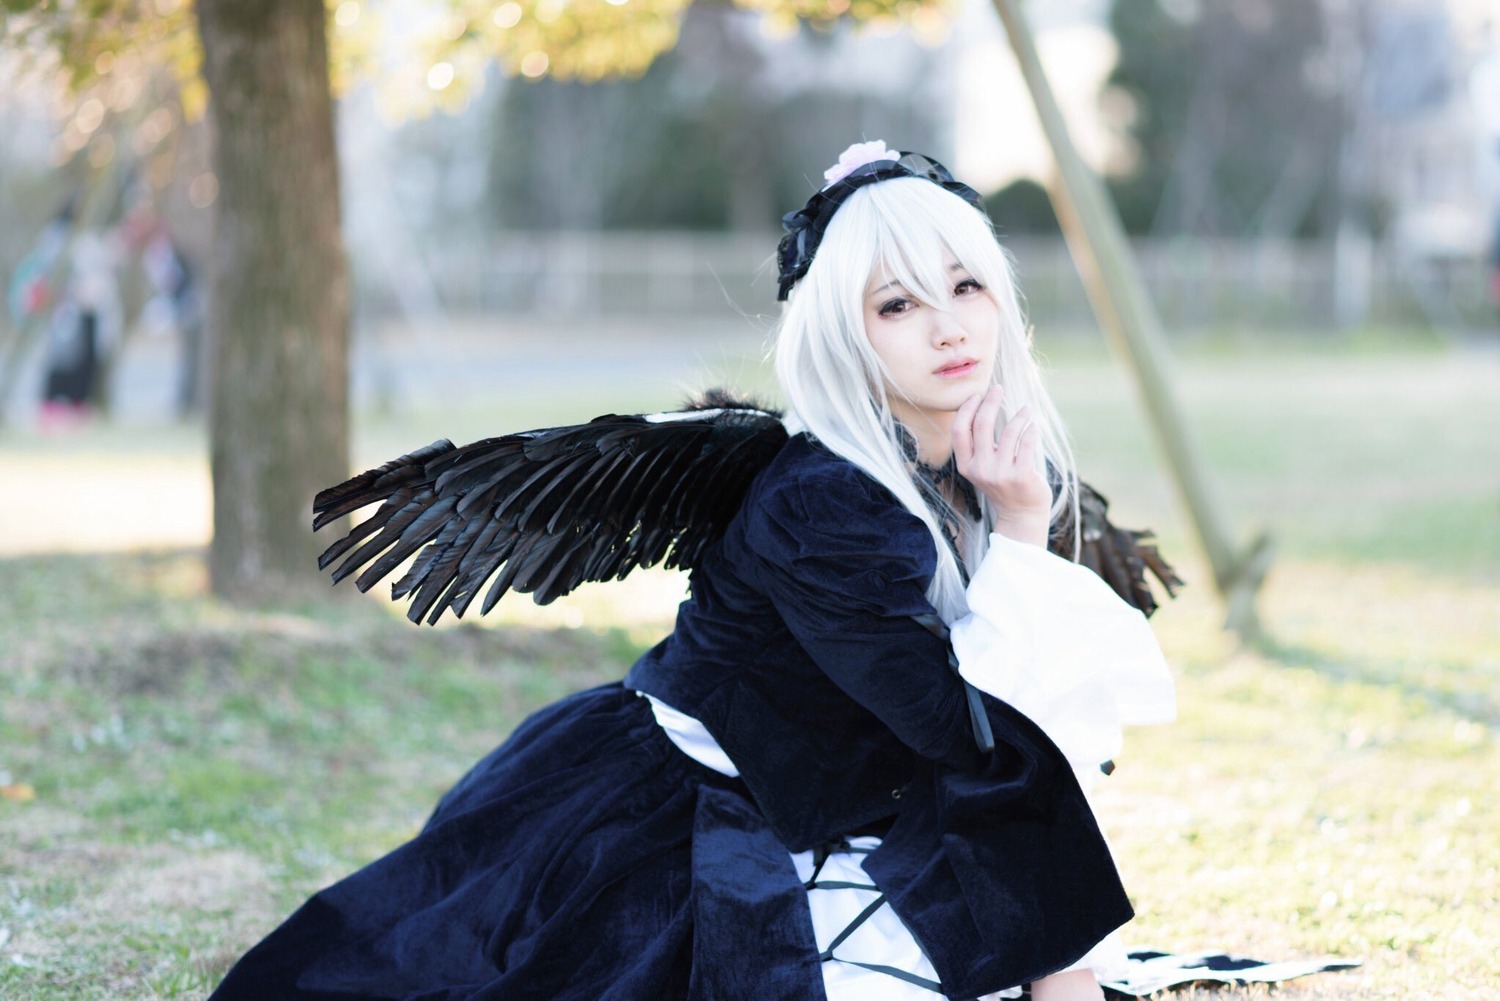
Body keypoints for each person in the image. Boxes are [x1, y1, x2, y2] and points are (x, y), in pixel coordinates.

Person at [210, 141, 1178, 1001]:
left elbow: (1014, 719)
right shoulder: (829, 501)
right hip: (686, 807)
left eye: (968, 287)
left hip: (840, 786)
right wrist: (1017, 530)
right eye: (898, 304)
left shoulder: (971, 454)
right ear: (849, 329)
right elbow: (965, 732)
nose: (949, 327)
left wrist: (1016, 514)